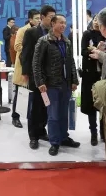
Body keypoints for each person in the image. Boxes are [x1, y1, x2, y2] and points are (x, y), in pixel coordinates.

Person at [32, 14, 80, 156]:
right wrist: (40, 82)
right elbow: (36, 64)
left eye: (65, 23)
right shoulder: (44, 41)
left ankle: (64, 137)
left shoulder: (66, 41)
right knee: (53, 115)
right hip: (50, 85)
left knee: (64, 113)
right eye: (60, 22)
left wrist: (74, 80)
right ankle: (54, 142)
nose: (63, 25)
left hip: (66, 84)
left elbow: (71, 62)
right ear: (53, 24)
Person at [21, 5, 55, 149]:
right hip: (35, 76)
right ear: (42, 17)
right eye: (50, 17)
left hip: (50, 77)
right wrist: (25, 73)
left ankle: (41, 131)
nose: (53, 20)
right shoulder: (31, 32)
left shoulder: (53, 33)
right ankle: (33, 136)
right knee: (34, 107)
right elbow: (25, 54)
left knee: (46, 105)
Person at [81, 19, 105, 146]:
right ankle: (93, 133)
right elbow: (83, 51)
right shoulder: (87, 34)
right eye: (95, 20)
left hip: (103, 74)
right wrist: (95, 50)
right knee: (91, 105)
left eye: (99, 20)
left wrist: (101, 52)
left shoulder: (105, 35)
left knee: (103, 104)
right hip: (89, 75)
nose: (96, 22)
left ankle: (103, 132)